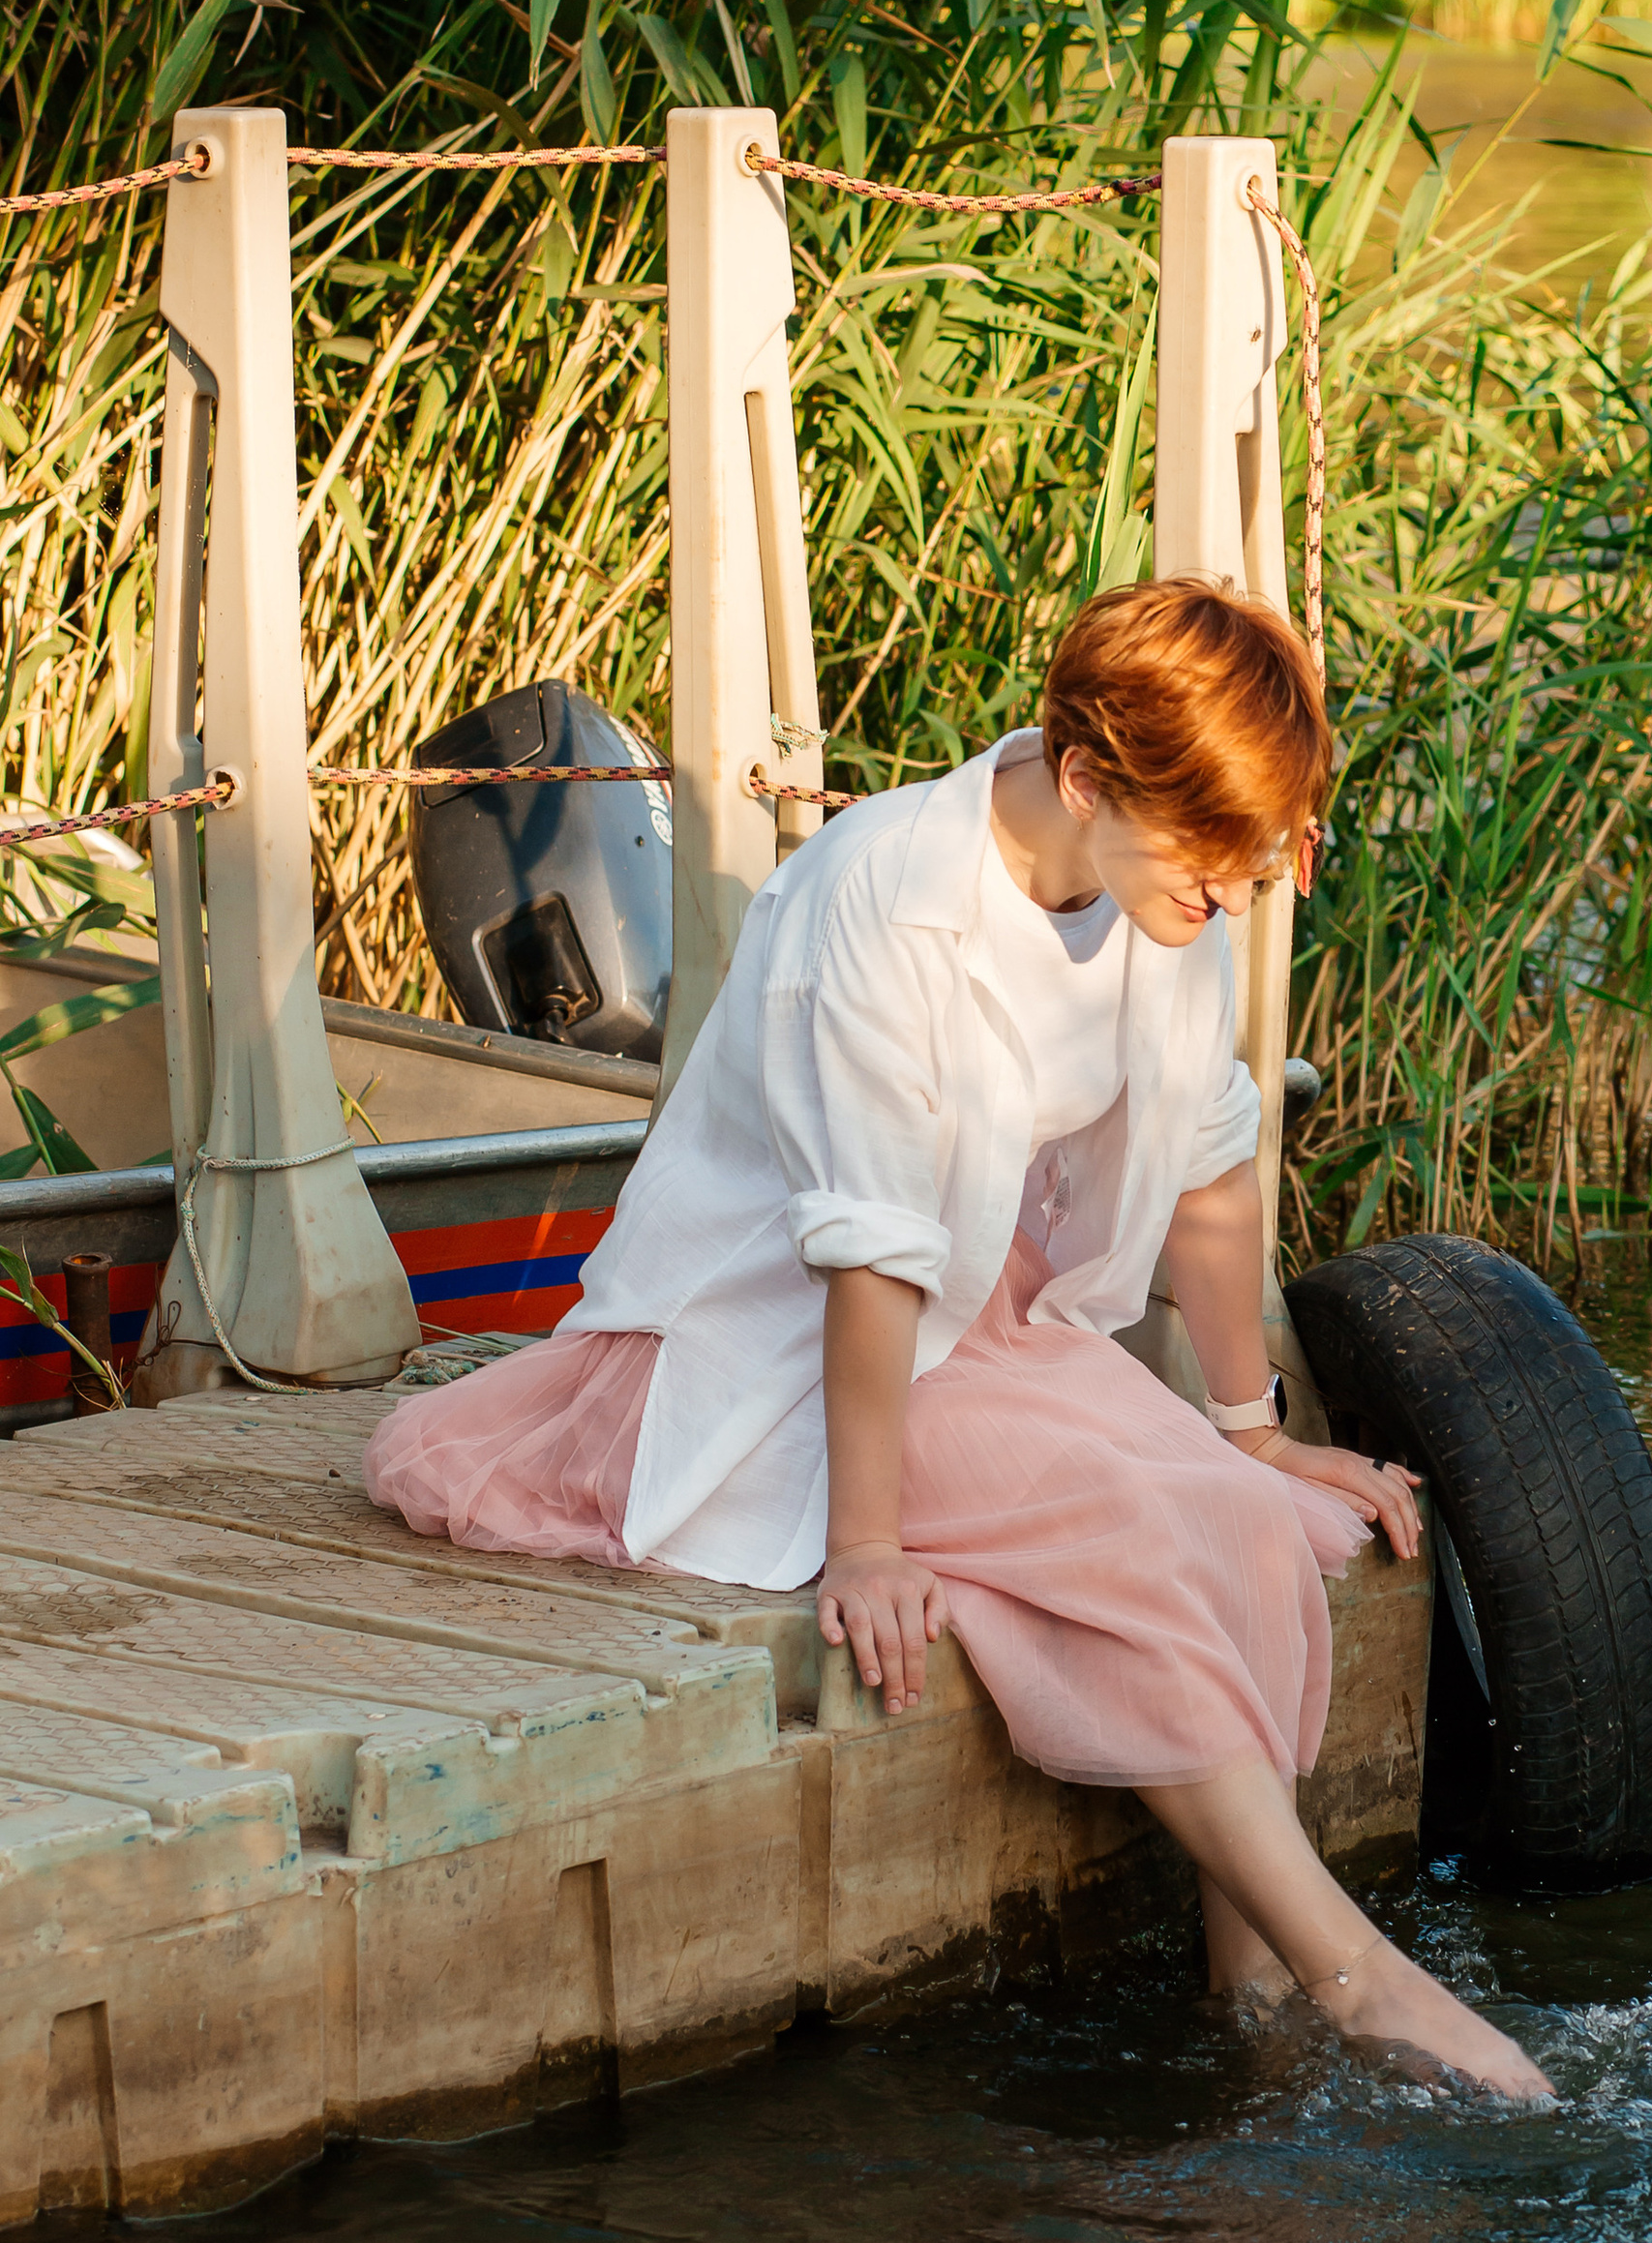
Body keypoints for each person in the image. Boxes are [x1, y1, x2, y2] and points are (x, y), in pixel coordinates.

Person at [367, 580, 1550, 2101]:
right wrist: (865, 1542)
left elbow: (1205, 1165)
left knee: (1249, 1527)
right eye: (1214, 859)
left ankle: (1251, 2005)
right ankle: (1360, 1977)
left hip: (976, 1313)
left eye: (1254, 860)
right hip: (790, 1331)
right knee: (1129, 1524)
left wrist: (1252, 1428)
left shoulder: (1159, 890)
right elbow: (866, 1254)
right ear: (1086, 778)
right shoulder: (887, 895)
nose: (1236, 899)